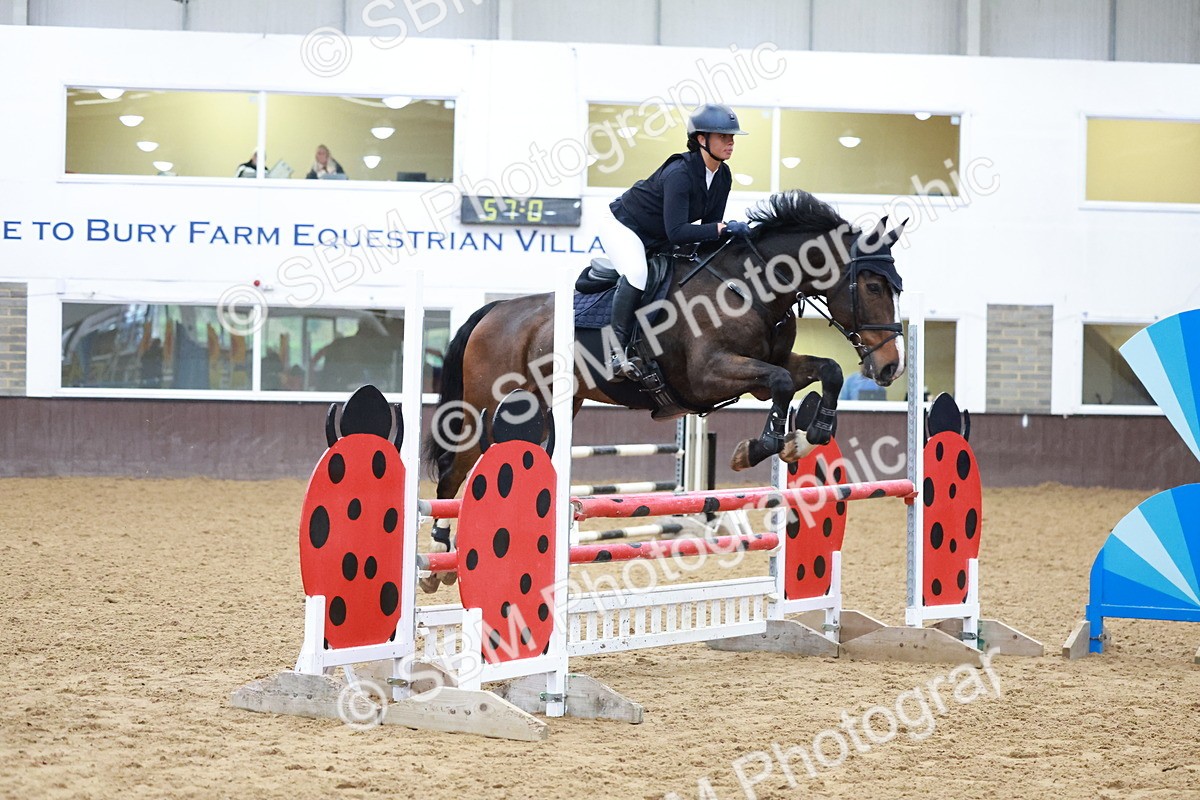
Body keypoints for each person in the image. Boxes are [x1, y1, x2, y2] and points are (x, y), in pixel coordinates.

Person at [602, 103, 749, 380]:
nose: (730, 142)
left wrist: (734, 239)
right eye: (723, 137)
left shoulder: (723, 176)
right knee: (637, 274)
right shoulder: (679, 173)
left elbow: (707, 232)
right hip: (624, 227)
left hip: (660, 235)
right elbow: (679, 233)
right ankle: (615, 354)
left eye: (732, 137)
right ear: (701, 140)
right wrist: (723, 228)